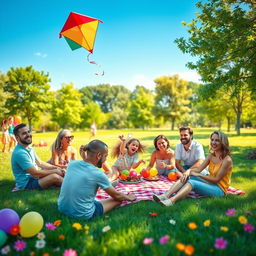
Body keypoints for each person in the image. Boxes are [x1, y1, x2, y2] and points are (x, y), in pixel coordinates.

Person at [58, 140, 136, 220]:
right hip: (82, 214)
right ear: (99, 155)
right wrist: (128, 197)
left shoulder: (72, 164)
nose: (105, 159)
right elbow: (117, 196)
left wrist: (85, 158)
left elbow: (86, 172)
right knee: (117, 200)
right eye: (105, 156)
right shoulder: (98, 174)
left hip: (62, 208)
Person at [153, 131, 233, 206]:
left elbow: (216, 180)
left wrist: (199, 175)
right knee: (186, 176)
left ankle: (172, 201)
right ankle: (165, 196)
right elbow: (198, 169)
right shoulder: (211, 156)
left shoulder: (227, 160)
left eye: (217, 140)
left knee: (192, 183)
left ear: (223, 143)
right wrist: (188, 171)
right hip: (210, 183)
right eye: (212, 140)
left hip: (219, 190)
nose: (213, 143)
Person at [11, 123, 65, 190]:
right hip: (27, 184)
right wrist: (55, 171)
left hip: (34, 178)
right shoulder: (20, 153)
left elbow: (40, 163)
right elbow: (35, 173)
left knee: (59, 172)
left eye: (28, 132)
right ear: (17, 138)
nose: (28, 135)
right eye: (24, 133)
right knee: (54, 177)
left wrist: (57, 168)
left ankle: (72, 182)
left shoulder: (28, 147)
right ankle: (73, 186)